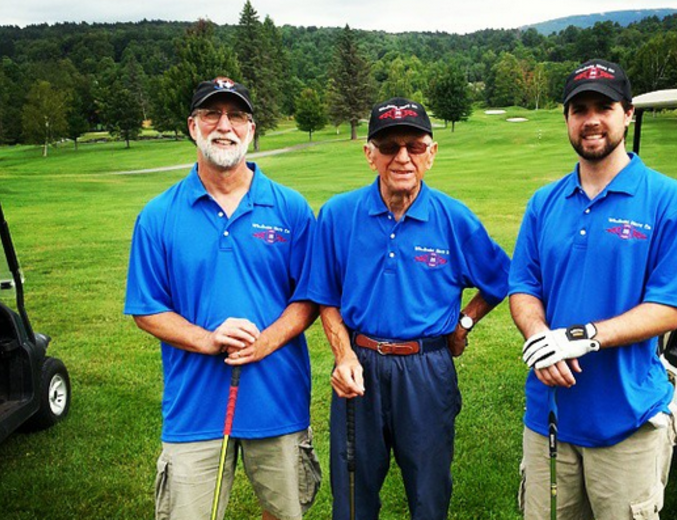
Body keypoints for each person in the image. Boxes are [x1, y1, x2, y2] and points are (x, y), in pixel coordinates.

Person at [509, 60, 677, 520]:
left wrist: (578, 337)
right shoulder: (544, 203)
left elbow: (673, 306)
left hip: (628, 420)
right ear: (567, 119)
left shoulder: (668, 199)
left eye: (604, 106)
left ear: (628, 113)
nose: (591, 119)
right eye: (579, 109)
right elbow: (523, 286)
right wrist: (539, 335)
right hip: (548, 417)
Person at [124, 77, 320, 520]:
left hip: (278, 404)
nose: (224, 126)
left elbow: (309, 297)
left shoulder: (290, 208)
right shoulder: (158, 216)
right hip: (194, 411)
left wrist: (264, 342)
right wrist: (209, 340)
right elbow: (147, 308)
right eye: (212, 114)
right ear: (193, 126)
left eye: (237, 116)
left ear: (251, 129)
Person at [307, 97, 510, 520]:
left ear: (431, 154)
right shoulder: (338, 215)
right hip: (359, 366)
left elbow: (500, 279)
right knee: (351, 492)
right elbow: (325, 295)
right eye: (388, 146)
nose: (401, 157)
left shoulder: (454, 218)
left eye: (414, 146)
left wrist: (465, 321)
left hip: (426, 369)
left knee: (428, 492)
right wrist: (343, 355)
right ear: (370, 154)